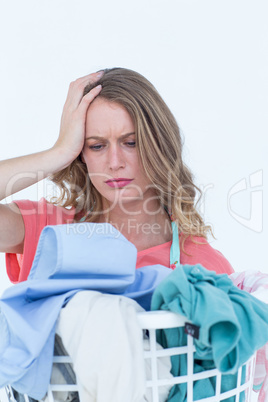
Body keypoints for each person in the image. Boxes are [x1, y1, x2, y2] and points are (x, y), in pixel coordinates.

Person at [0, 67, 234, 284]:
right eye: (97, 146)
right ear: (81, 153)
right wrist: (59, 152)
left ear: (159, 145)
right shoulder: (51, 231)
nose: (114, 163)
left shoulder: (205, 267)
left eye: (130, 143)